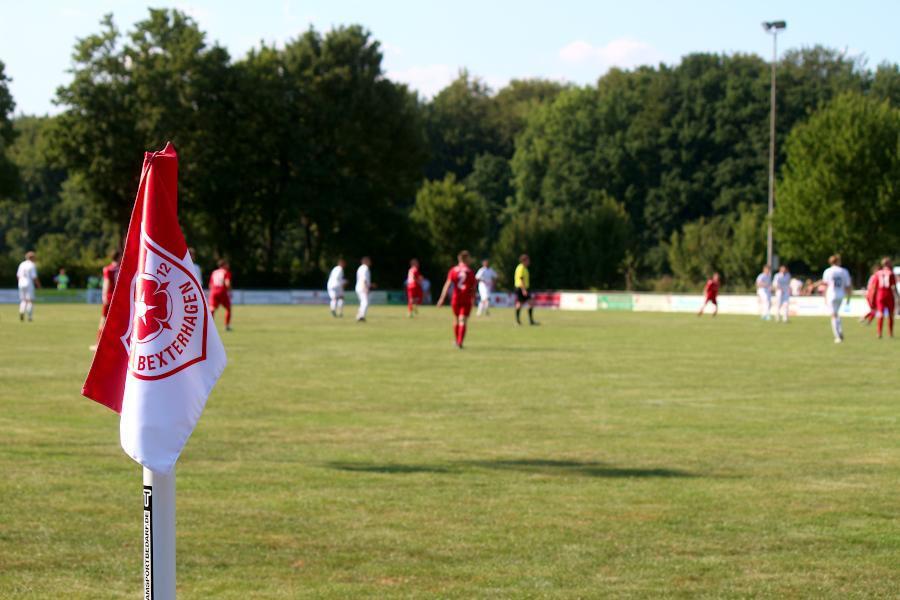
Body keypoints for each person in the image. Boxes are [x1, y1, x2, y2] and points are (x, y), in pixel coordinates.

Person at [436, 250, 477, 349]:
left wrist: (442, 298)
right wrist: (473, 298)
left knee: (456, 320)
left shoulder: (453, 270)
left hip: (456, 299)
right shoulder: (470, 272)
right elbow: (473, 287)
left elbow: (447, 284)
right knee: (463, 320)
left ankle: (457, 341)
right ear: (465, 259)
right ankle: (459, 341)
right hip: (466, 299)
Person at [815, 254, 852, 343]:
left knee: (833, 315)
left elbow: (825, 284)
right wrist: (848, 298)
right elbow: (848, 286)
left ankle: (837, 336)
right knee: (836, 314)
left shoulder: (828, 271)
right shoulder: (844, 271)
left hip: (831, 294)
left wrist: (824, 296)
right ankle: (839, 331)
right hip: (840, 295)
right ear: (837, 261)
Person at [90, 251, 120, 350]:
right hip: (118, 298)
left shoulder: (108, 269)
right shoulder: (122, 268)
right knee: (119, 321)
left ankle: (98, 344)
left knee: (103, 321)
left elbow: (106, 283)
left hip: (110, 297)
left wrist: (104, 296)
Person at [873, 257, 899, 338]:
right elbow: (893, 287)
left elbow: (874, 287)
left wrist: (873, 298)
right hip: (889, 294)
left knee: (880, 314)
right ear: (888, 263)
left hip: (880, 294)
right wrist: (897, 296)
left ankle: (879, 333)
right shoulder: (891, 273)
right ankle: (890, 333)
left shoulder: (878, 273)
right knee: (891, 314)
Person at [16, 251, 40, 322]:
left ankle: (22, 311)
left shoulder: (22, 264)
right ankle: (29, 317)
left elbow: (18, 275)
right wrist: (38, 285)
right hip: (29, 283)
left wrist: (19, 283)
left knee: (23, 300)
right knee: (30, 301)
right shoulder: (32, 265)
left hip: (21, 283)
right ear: (32, 258)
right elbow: (34, 277)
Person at [209, 259, 233, 331]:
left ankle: (209, 326)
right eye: (227, 264)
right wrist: (229, 290)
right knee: (228, 309)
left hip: (213, 291)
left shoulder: (214, 272)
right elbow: (227, 283)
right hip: (222, 291)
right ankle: (227, 326)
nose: (228, 266)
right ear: (224, 265)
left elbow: (210, 285)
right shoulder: (226, 272)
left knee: (212, 309)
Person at [514, 254, 538, 326]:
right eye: (528, 260)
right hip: (521, 288)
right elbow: (521, 279)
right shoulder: (520, 268)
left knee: (531, 303)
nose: (529, 261)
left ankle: (530, 321)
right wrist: (524, 290)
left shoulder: (525, 268)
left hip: (524, 288)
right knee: (520, 304)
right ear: (524, 261)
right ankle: (518, 321)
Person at [355, 257, 372, 322]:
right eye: (369, 261)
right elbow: (364, 279)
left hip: (359, 287)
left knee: (363, 302)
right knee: (365, 302)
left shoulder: (360, 268)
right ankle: (361, 316)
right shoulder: (365, 268)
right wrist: (365, 287)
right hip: (362, 287)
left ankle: (359, 315)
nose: (370, 263)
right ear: (366, 262)